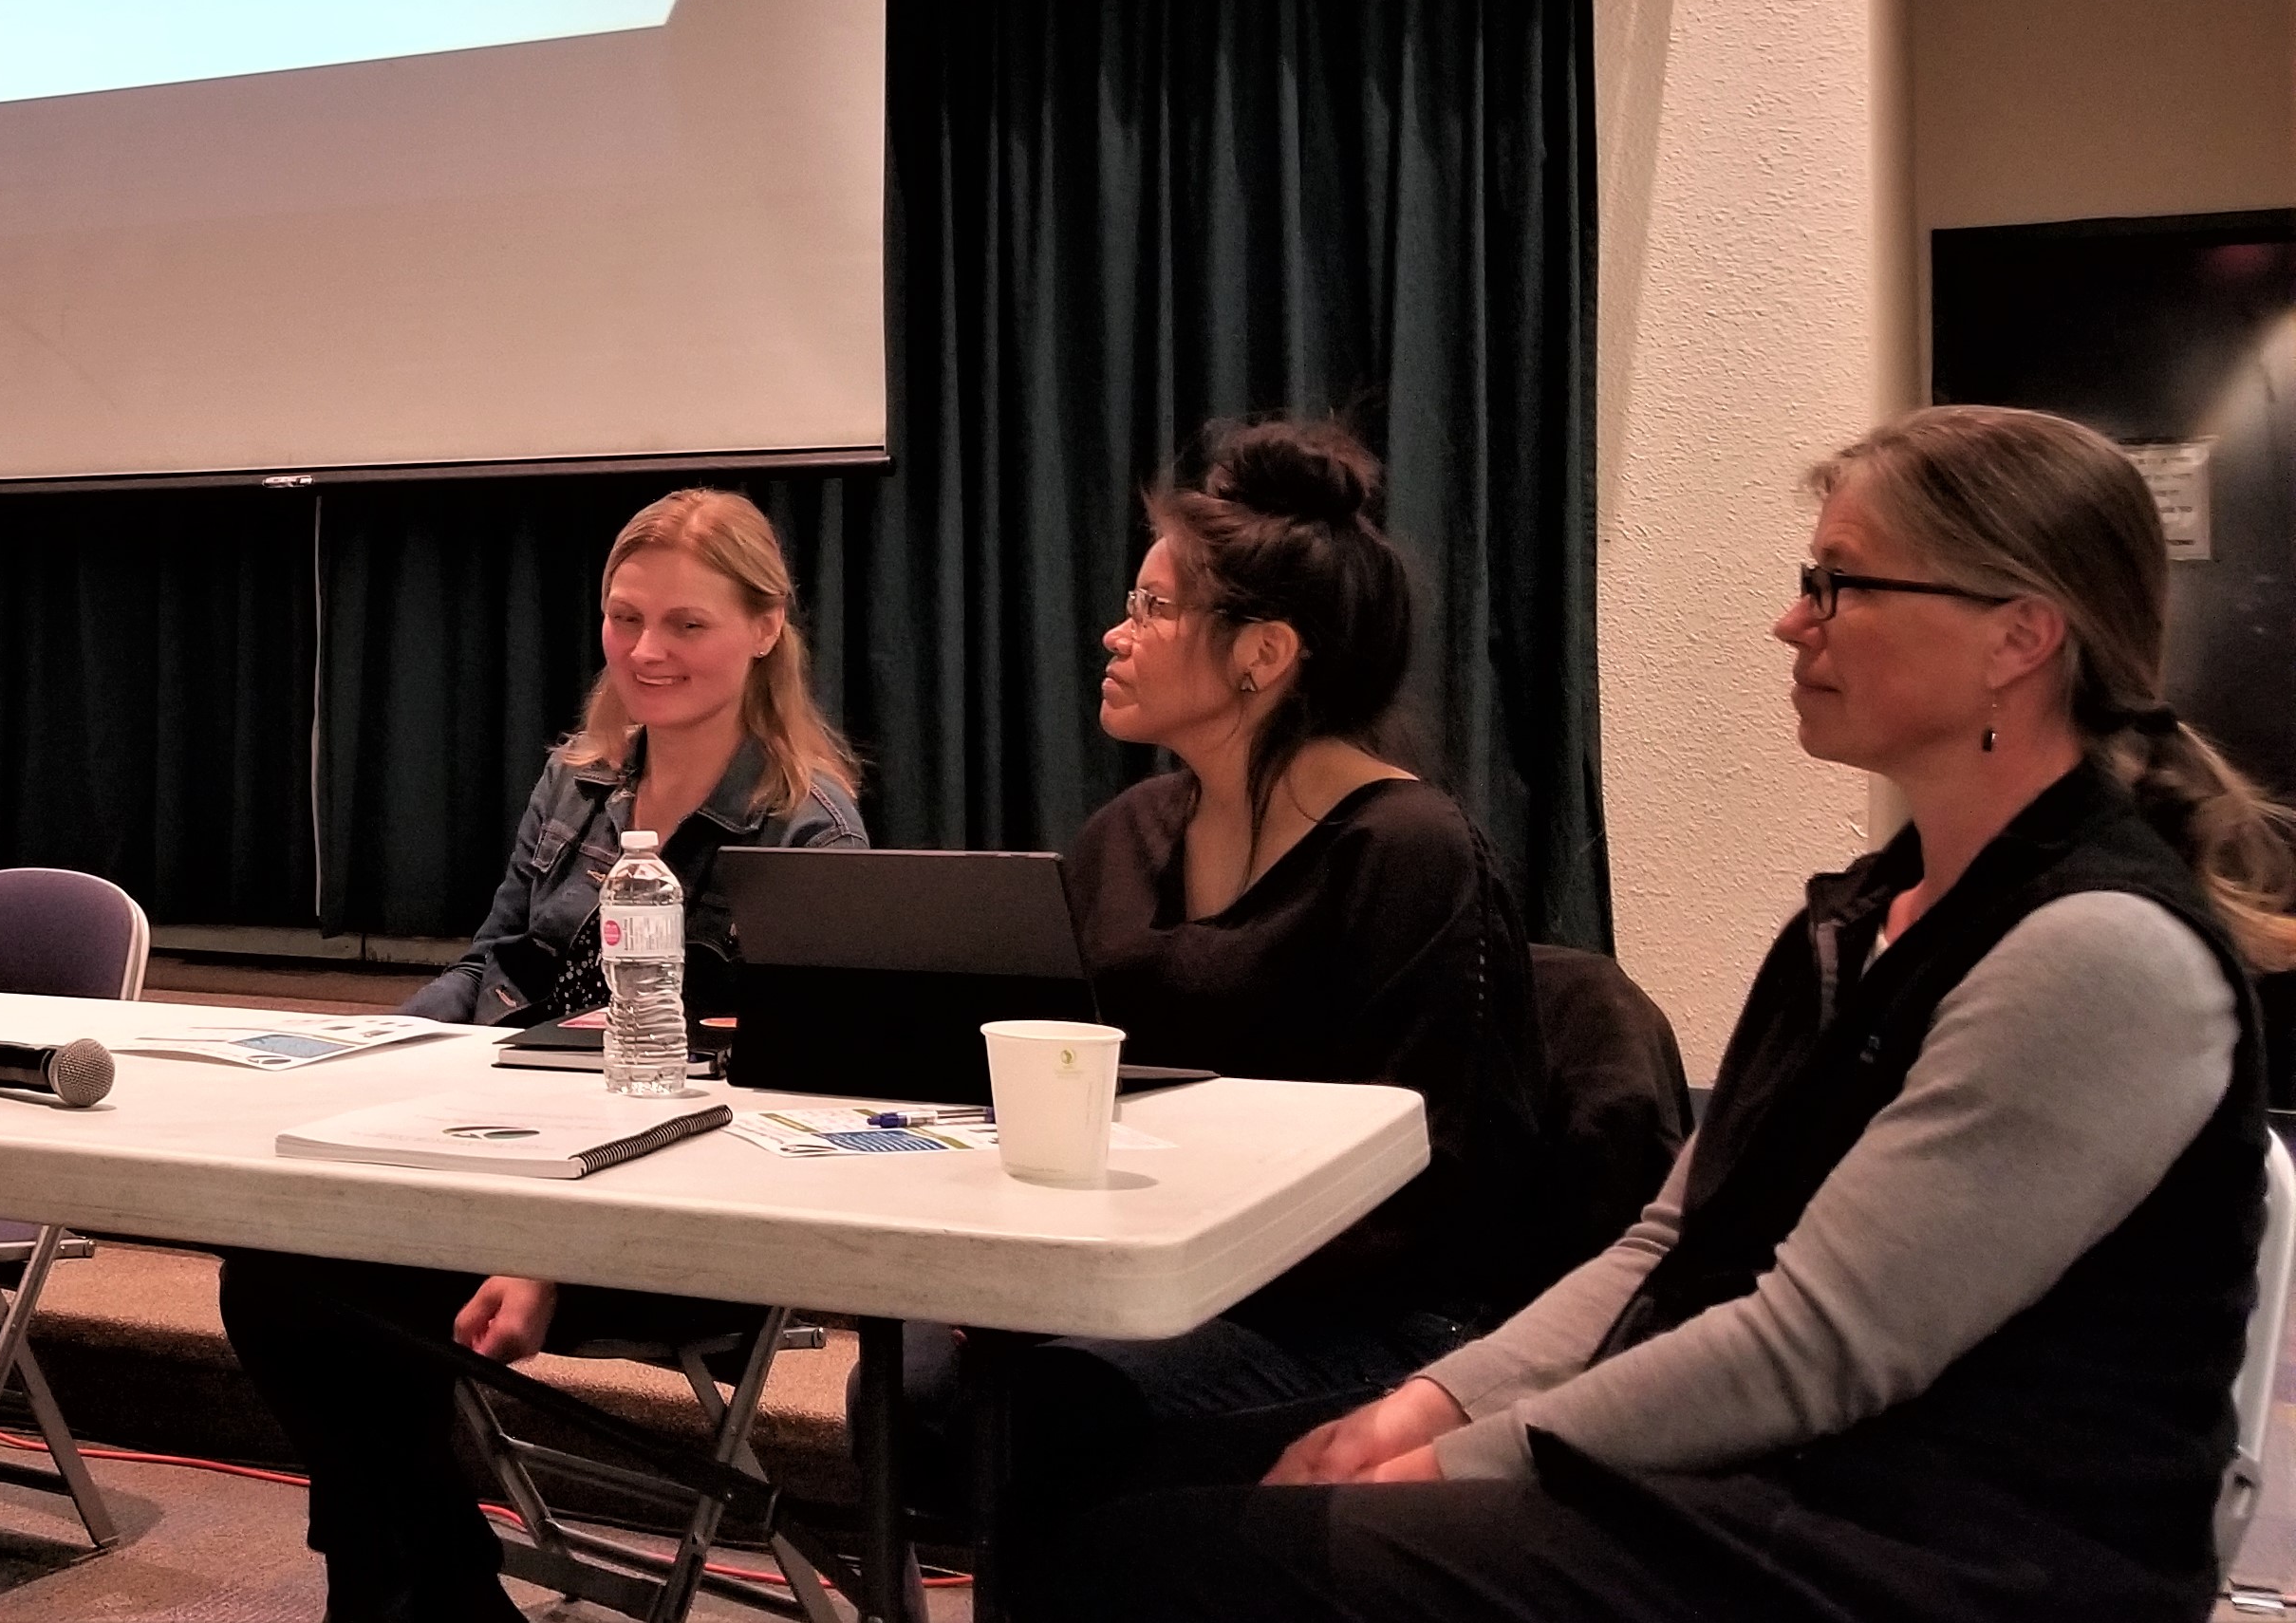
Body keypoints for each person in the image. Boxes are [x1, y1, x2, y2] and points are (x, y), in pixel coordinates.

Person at [1028, 404, 2291, 1623]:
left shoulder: (2095, 953)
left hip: (1940, 1551)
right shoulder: (1862, 916)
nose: (1791, 619)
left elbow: (1811, 1347)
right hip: (1797, 1477)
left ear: (2016, 637)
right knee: (1099, 1480)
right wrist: (1425, 1405)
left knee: (1163, 1561)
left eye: (1840, 584)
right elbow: (1669, 1244)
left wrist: (1459, 1462)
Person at [893, 421, 1547, 1540]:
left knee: (1042, 1418)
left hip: (1362, 1319)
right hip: (1131, 1284)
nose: (1115, 632)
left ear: (1264, 654)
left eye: (1153, 609)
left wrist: (1130, 1278)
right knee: (906, 1391)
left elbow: (1436, 1191)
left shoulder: (1407, 852)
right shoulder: (1129, 833)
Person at [221, 489, 865, 1623]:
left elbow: (766, 1090)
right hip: (503, 1152)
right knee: (274, 1270)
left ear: (767, 629)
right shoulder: (580, 781)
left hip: (673, 1205)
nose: (646, 652)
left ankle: (406, 1591)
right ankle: (428, 1583)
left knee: (317, 1291)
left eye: (686, 624)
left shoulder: (806, 824)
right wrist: (366, 1051)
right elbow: (493, 970)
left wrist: (546, 1248)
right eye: (625, 619)